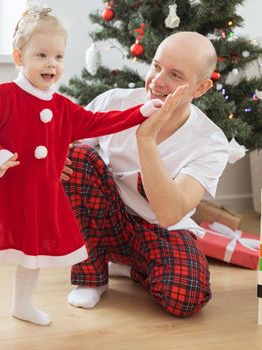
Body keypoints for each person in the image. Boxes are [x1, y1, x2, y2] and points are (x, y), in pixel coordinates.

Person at [0, 3, 185, 335]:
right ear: (20, 57)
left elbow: (98, 122)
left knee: (31, 251)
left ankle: (22, 304)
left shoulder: (61, 107)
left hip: (36, 195)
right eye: (42, 55)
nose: (51, 64)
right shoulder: (5, 95)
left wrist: (141, 112)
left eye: (58, 57)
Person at [62, 31, 230, 318]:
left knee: (186, 297)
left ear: (200, 88)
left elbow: (170, 213)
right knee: (74, 157)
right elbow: (67, 153)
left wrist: (146, 140)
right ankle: (91, 275)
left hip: (158, 228)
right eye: (156, 66)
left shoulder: (210, 142)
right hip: (105, 218)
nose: (158, 80)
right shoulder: (113, 102)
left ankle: (132, 266)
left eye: (175, 75)